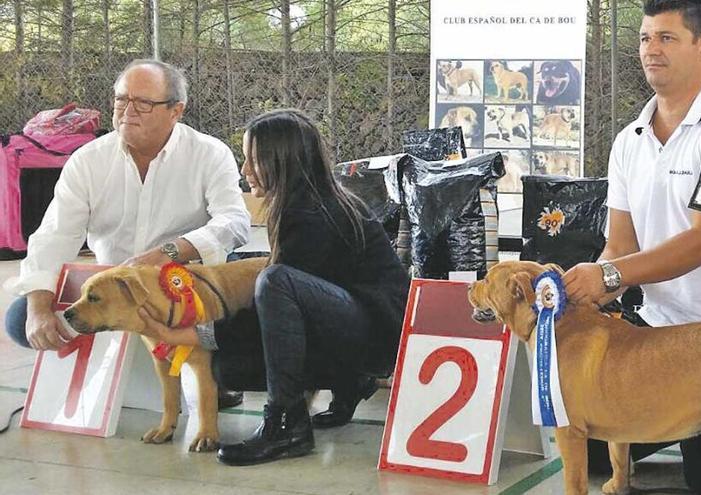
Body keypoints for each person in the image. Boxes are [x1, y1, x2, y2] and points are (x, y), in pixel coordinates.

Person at [561, 1, 701, 494]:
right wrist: (577, 294)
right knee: (589, 443)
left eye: (666, 38)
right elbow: (619, 245)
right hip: (660, 336)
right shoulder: (629, 140)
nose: (651, 49)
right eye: (645, 38)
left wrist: (609, 276)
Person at [138, 108, 410, 466]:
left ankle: (286, 425)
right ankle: (351, 382)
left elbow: (279, 300)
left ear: (282, 161)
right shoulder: (303, 202)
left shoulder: (313, 214)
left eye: (253, 159)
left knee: (274, 281)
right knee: (229, 369)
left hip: (378, 336)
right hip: (353, 324)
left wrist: (192, 334)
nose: (244, 170)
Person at [3, 59, 250, 408]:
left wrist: (168, 252)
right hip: (112, 288)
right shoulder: (88, 160)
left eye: (143, 103)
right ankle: (130, 373)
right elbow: (55, 235)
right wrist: (39, 308)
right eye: (121, 100)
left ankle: (201, 373)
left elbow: (234, 222)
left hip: (183, 284)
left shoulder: (210, 153)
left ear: (176, 110)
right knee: (19, 319)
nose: (127, 112)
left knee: (241, 317)